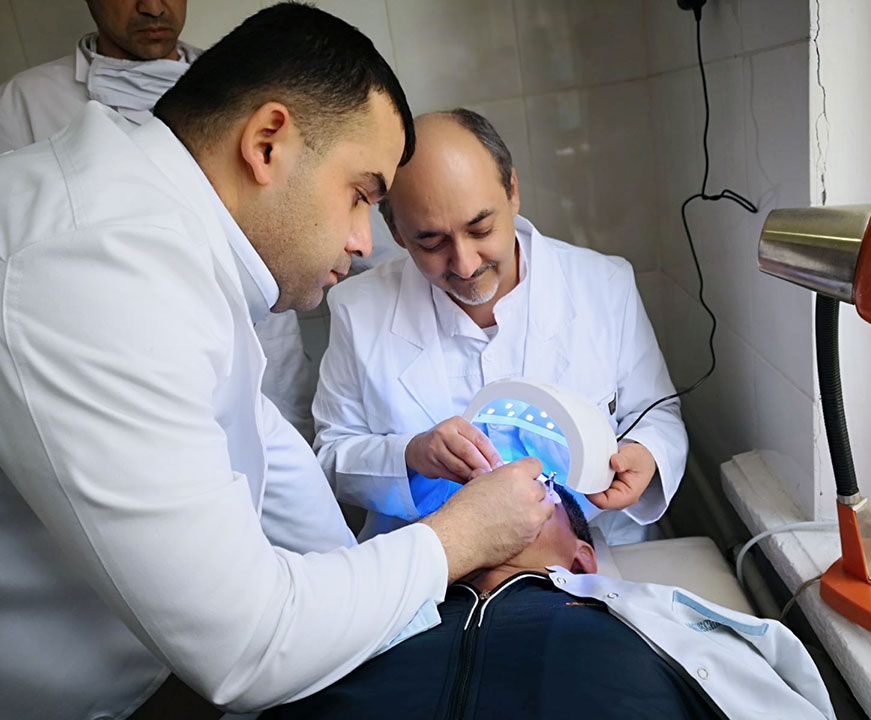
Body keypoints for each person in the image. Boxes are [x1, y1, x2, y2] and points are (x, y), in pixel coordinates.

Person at [0, 6, 556, 719]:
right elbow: (245, 648)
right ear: (268, 144)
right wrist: (459, 537)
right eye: (360, 196)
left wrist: (392, 596)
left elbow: (268, 451)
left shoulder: (171, 235)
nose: (362, 241)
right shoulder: (94, 264)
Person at [313, 109, 688, 543]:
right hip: (435, 559)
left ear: (512, 191)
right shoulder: (358, 310)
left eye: (480, 228)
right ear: (396, 232)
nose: (464, 263)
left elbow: (657, 413)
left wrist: (645, 454)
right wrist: (411, 455)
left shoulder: (604, 285)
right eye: (431, 242)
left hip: (596, 546)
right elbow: (332, 453)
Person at [0, 0, 316, 440]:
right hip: (130, 363)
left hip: (265, 359)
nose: (152, 7)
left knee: (282, 463)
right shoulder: (26, 102)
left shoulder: (247, 81)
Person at [262, 484, 836, 720]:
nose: (491, 503)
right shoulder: (372, 608)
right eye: (469, 499)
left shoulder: (653, 619)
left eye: (534, 499)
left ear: (583, 558)